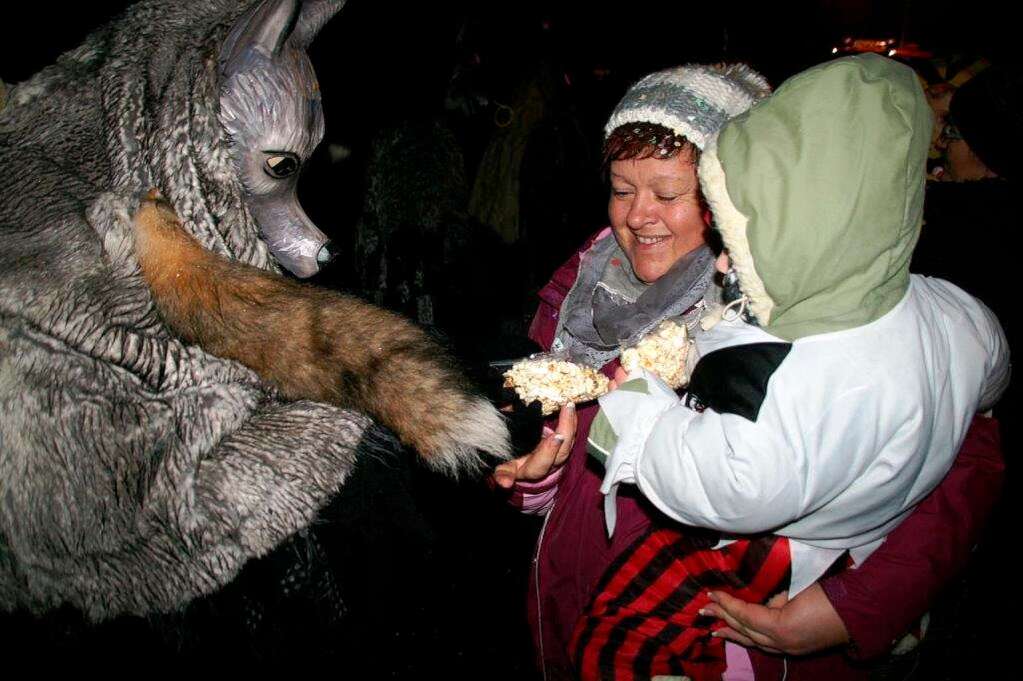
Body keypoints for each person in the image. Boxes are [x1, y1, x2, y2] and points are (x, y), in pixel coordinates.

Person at [493, 57, 1007, 681]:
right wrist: (536, 482)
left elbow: (962, 473)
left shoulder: (800, 314)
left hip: (723, 632)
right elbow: (560, 458)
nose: (636, 216)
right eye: (622, 189)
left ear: (731, 193)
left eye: (668, 193)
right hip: (576, 600)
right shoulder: (578, 287)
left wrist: (854, 608)